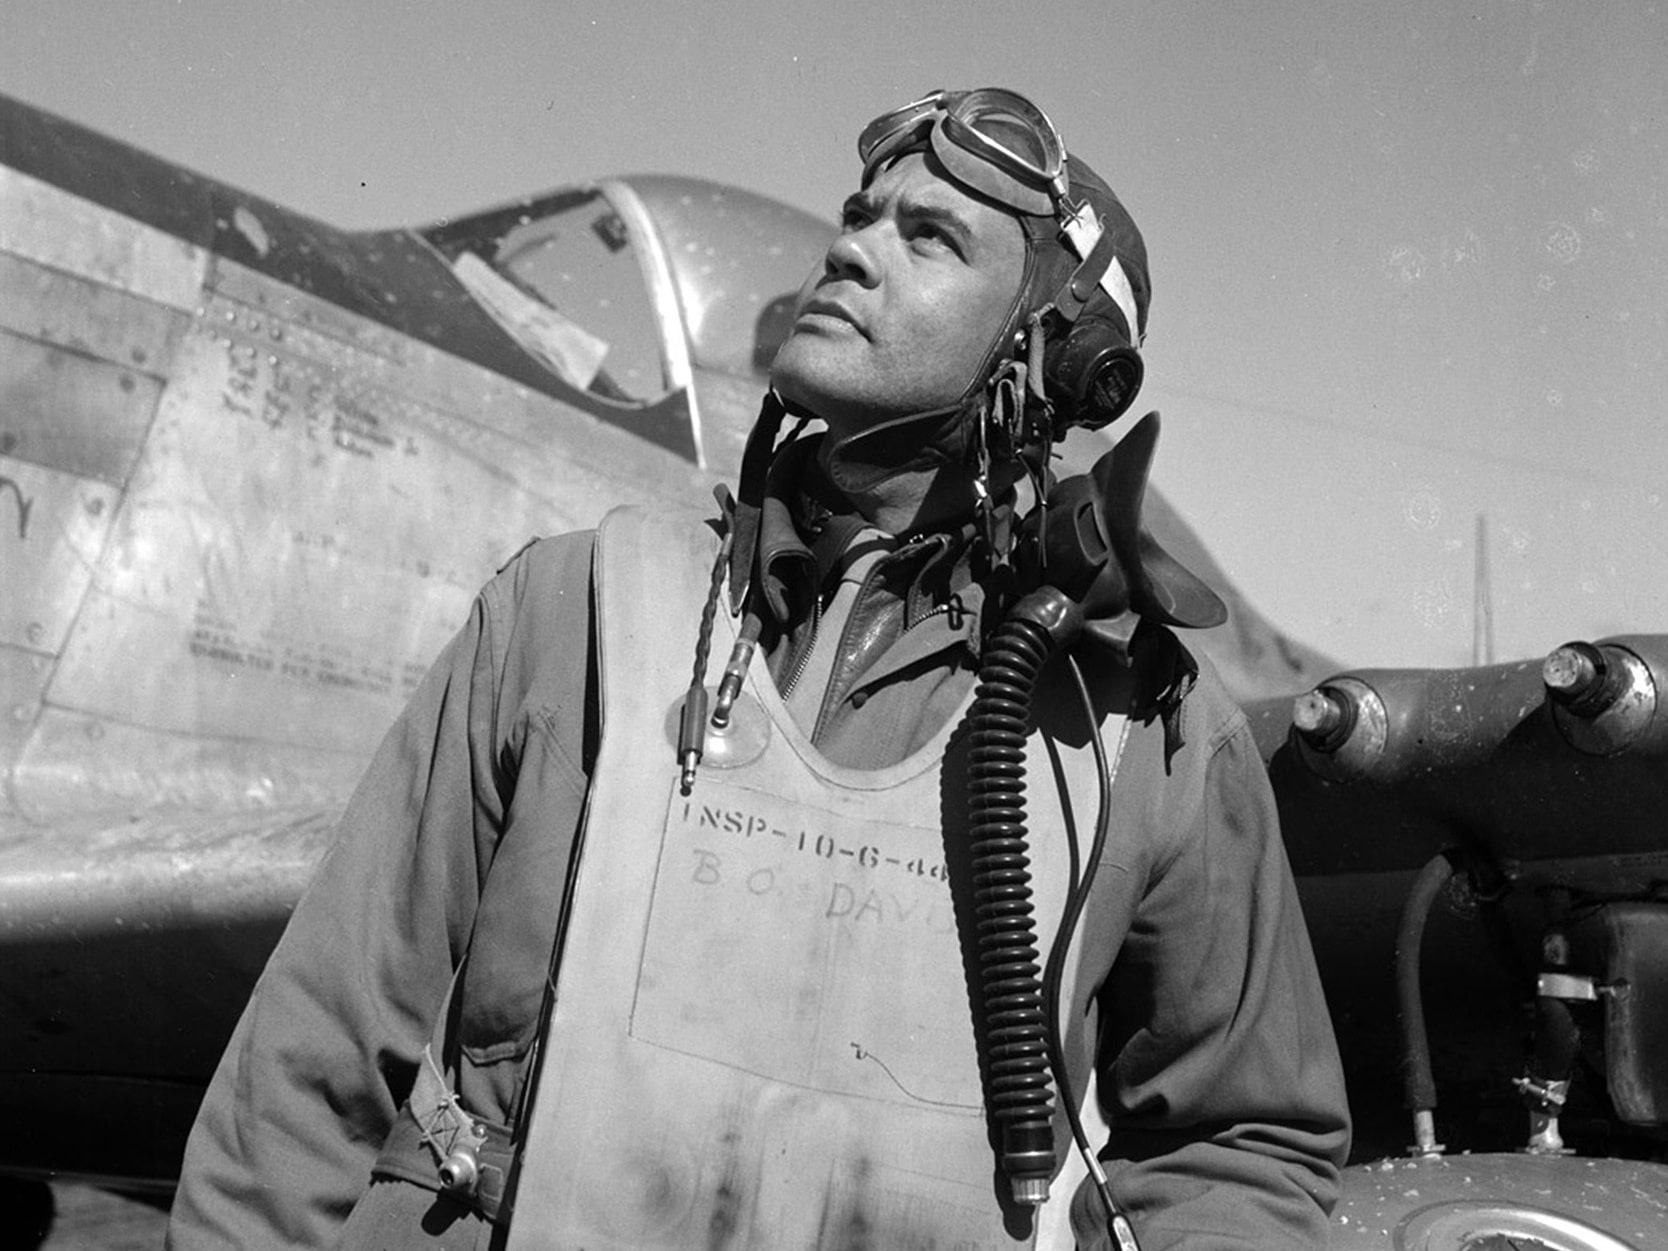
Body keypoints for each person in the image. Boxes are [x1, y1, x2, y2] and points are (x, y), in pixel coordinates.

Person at [167, 88, 1350, 1250]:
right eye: (861, 213)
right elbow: (308, 1070)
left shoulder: (1148, 729)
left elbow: (1243, 1149)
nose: (850, 248)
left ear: (1058, 357)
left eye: (929, 237)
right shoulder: (566, 609)